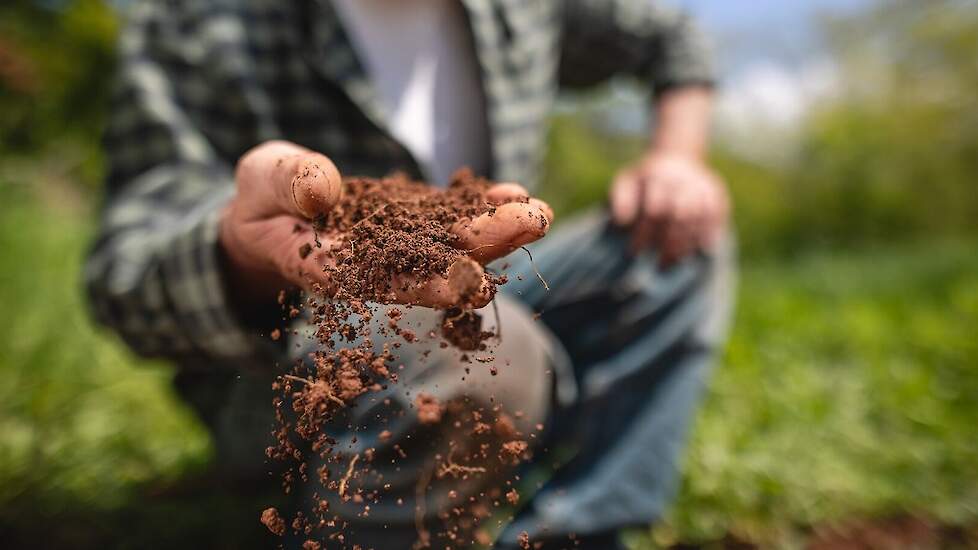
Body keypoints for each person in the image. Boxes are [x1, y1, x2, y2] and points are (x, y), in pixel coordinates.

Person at [85, 0, 733, 548]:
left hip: (491, 289)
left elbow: (671, 35)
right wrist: (243, 247)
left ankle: (575, 527)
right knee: (484, 349)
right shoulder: (200, 18)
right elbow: (124, 269)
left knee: (674, 237)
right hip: (292, 355)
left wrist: (676, 159)